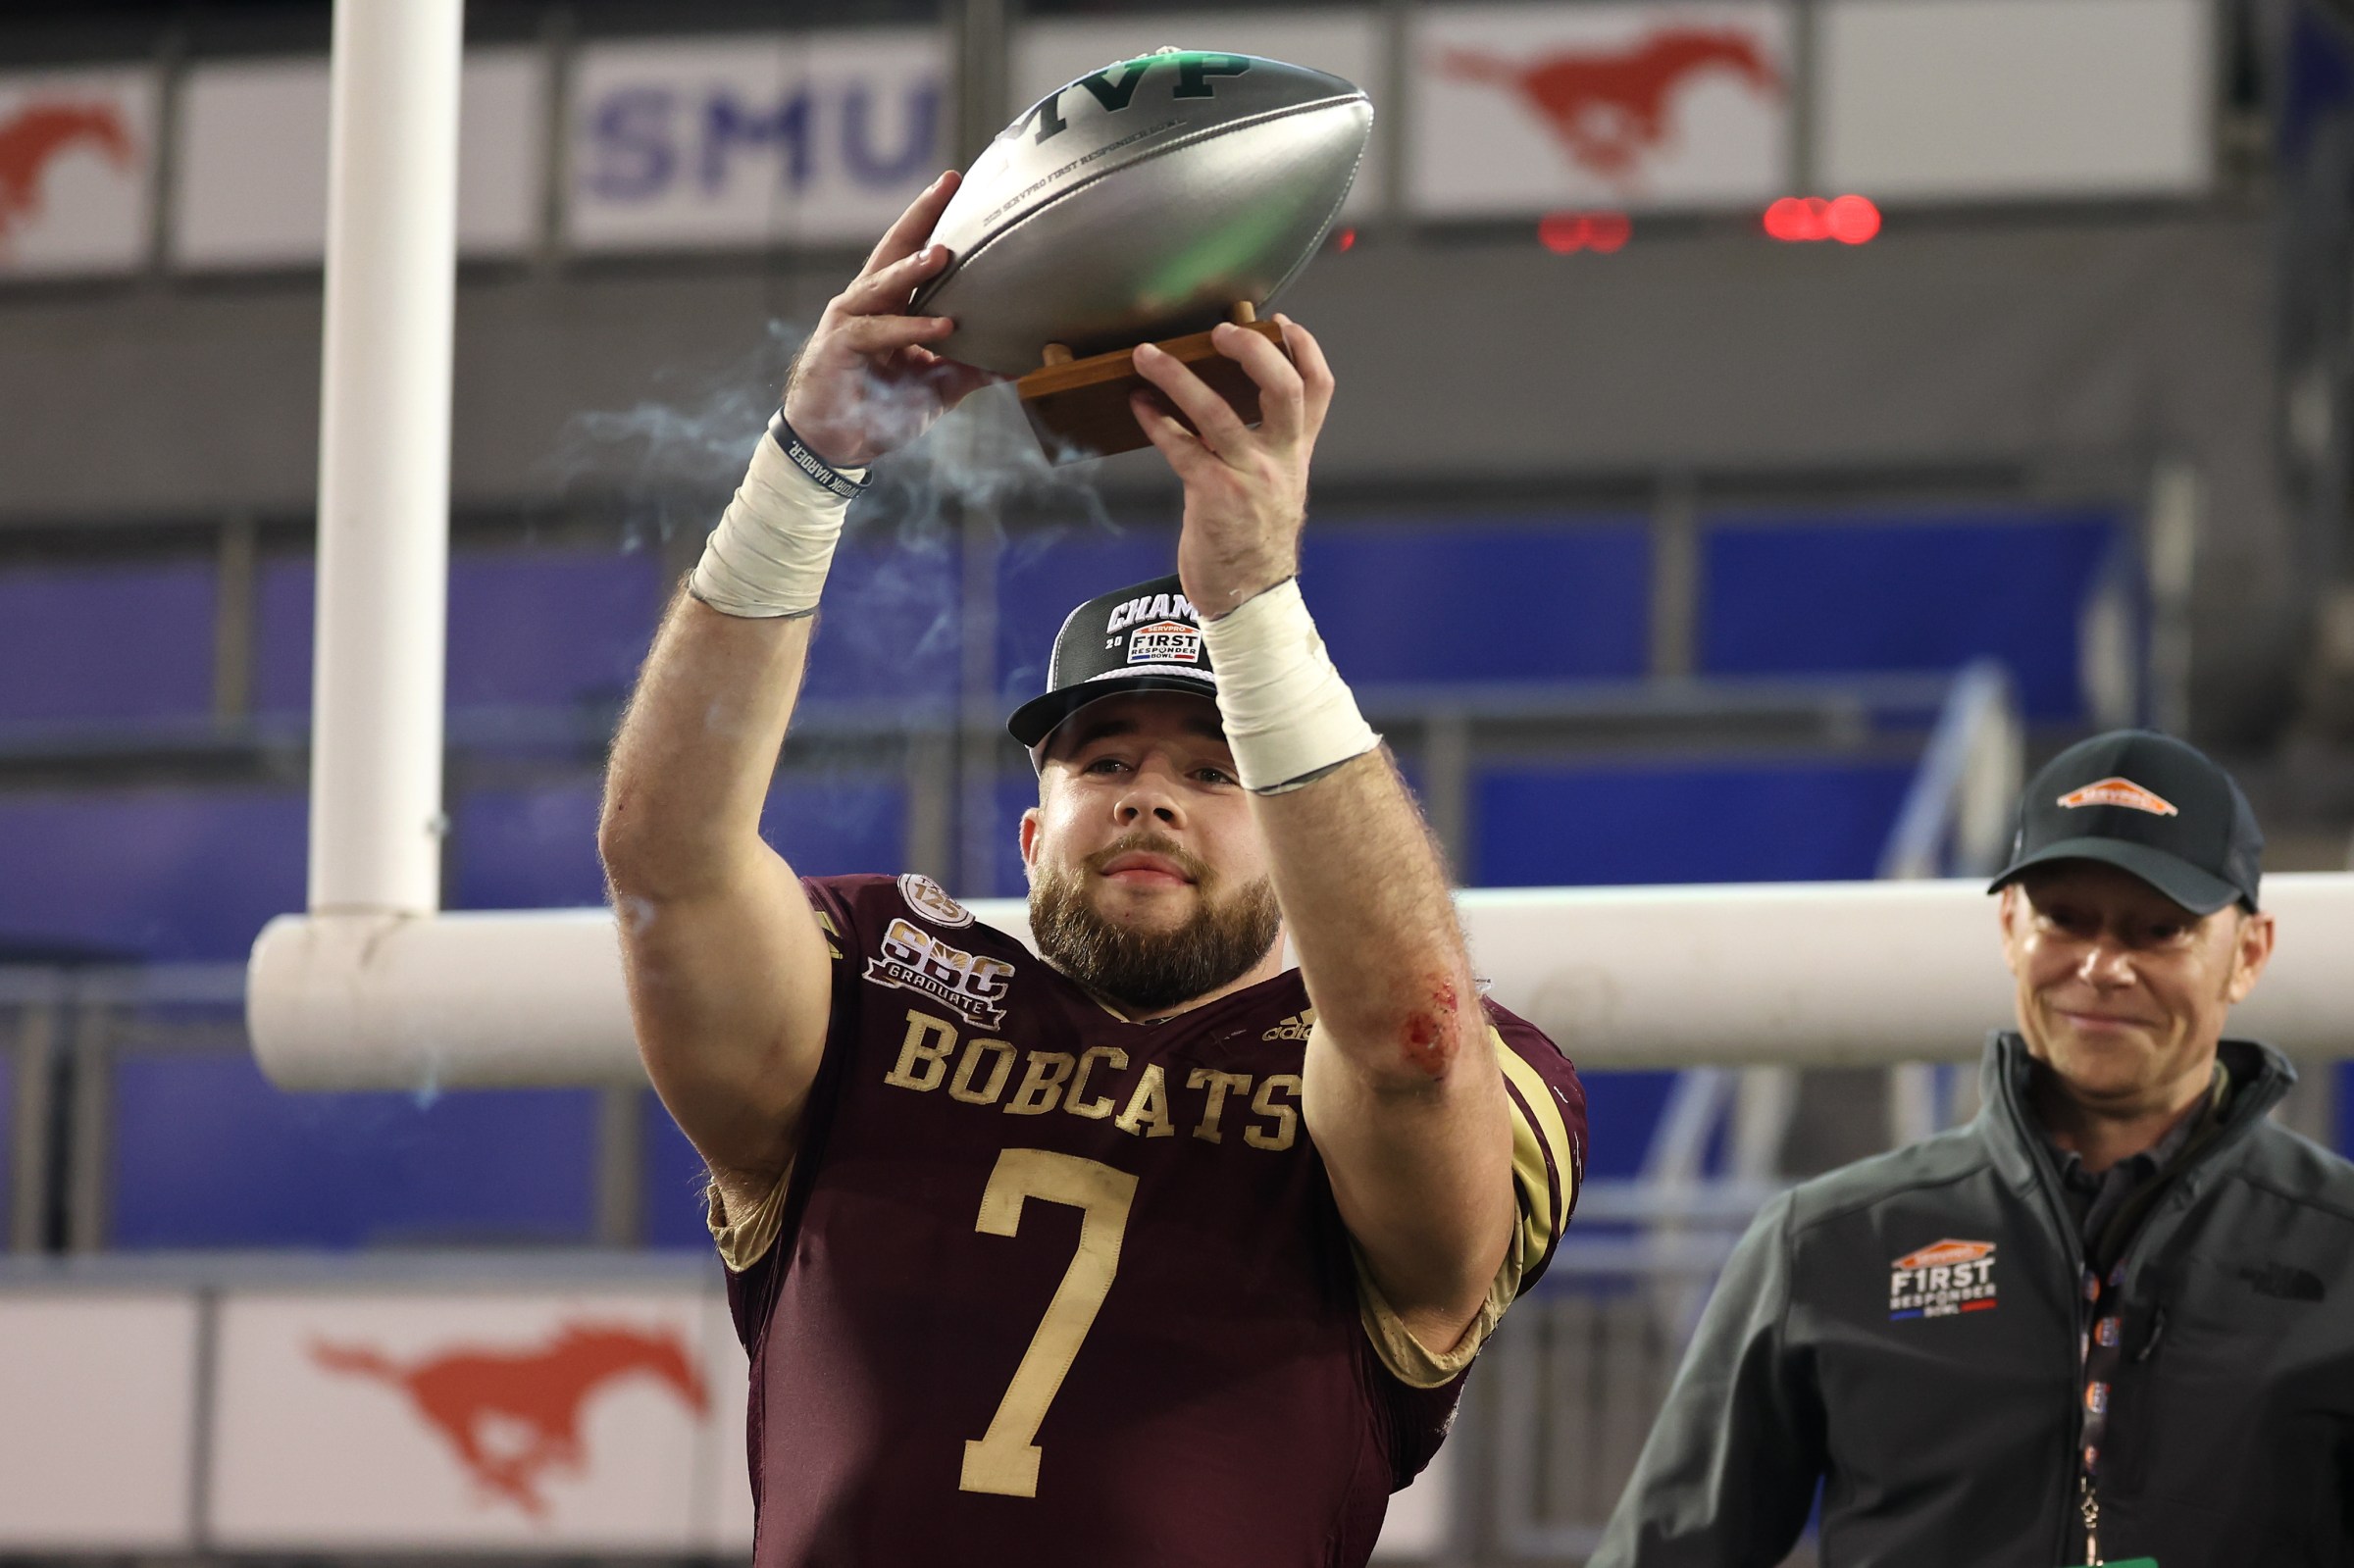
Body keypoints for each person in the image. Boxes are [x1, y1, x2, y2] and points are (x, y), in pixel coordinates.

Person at [598, 170, 1587, 1567]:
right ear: (1030, 831)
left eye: (1214, 768)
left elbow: (1415, 1047)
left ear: (1297, 832)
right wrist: (809, 461)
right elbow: (667, 857)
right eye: (1105, 761)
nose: (1150, 801)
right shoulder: (873, 984)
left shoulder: (1464, 1062)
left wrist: (1255, 600)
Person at [1593, 729, 2354, 1566]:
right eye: (2066, 917)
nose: (2102, 964)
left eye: (2160, 929)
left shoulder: (2340, 1245)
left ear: (2247, 955)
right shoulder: (1828, 1243)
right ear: (2009, 926)